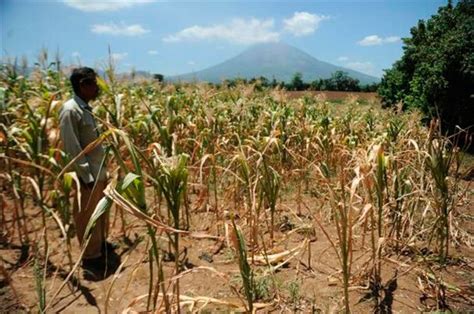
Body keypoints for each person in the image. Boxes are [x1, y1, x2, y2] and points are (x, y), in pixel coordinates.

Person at [59, 67, 113, 274]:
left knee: (99, 213)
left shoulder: (86, 108)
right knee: (86, 216)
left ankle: (99, 246)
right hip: (88, 176)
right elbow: (72, 147)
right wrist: (85, 176)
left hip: (99, 172)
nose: (98, 88)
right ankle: (91, 258)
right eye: (94, 83)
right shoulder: (70, 110)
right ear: (83, 85)